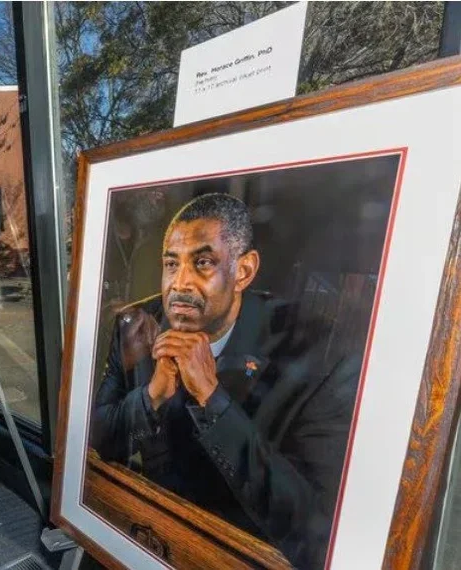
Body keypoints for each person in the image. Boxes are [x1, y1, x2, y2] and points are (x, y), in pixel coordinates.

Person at [90, 193, 360, 569]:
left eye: (203, 263)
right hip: (151, 534)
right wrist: (151, 396)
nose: (180, 283)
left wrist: (212, 399)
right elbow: (99, 438)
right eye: (171, 263)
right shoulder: (137, 325)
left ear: (244, 271)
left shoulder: (318, 354)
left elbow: (311, 529)